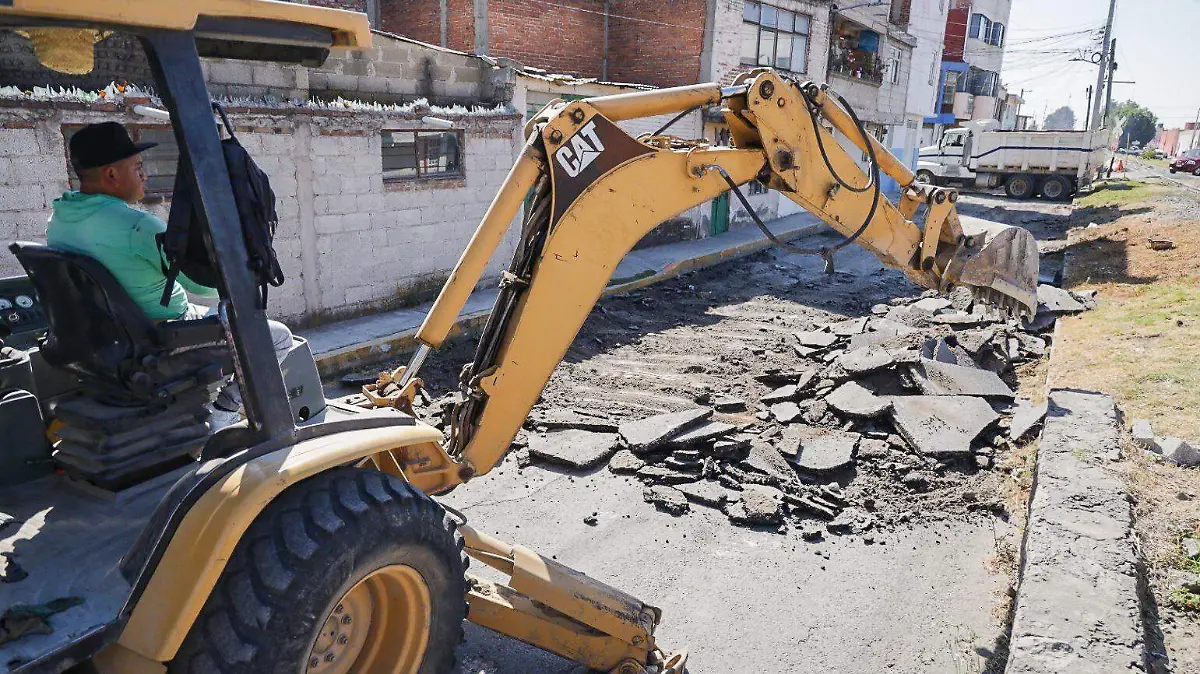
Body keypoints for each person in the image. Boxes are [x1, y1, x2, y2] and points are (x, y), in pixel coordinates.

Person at [46, 122, 292, 419]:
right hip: (162, 335)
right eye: (138, 168)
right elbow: (201, 285)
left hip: (105, 337)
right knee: (278, 338)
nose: (145, 175)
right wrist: (241, 273)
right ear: (111, 174)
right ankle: (222, 415)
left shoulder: (59, 221)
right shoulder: (137, 227)